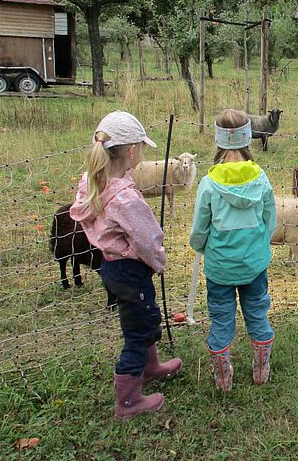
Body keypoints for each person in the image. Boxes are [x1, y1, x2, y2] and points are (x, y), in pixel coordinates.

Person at [70, 110, 182, 419]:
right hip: (132, 270)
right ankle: (129, 400)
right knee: (140, 328)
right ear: (132, 151)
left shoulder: (94, 182)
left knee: (136, 320)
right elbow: (147, 240)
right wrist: (158, 261)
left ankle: (151, 367)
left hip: (110, 266)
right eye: (141, 148)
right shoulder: (126, 199)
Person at [189, 108, 277, 392]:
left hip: (220, 267)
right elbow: (270, 219)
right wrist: (261, 244)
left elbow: (200, 227)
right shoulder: (260, 178)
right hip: (253, 263)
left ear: (219, 140)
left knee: (221, 316)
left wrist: (199, 245)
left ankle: (223, 378)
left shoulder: (208, 183)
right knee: (256, 311)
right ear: (247, 138)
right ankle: (261, 369)